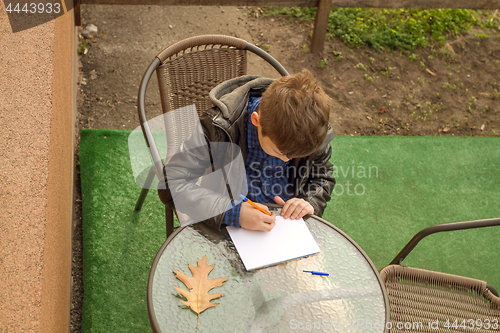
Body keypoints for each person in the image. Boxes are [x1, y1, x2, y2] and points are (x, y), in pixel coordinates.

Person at [159, 69, 336, 232]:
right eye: (279, 152)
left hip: (285, 221)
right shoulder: (219, 127)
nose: (286, 160)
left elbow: (323, 175)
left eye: (297, 156)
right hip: (228, 214)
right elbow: (171, 185)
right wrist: (233, 213)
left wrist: (309, 200)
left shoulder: (311, 130)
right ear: (256, 120)